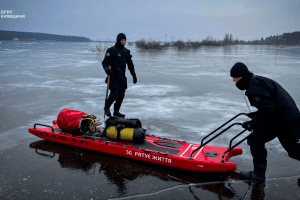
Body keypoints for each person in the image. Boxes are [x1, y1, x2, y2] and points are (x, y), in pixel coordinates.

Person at [230, 62, 300, 183]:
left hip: (284, 121)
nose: (233, 81)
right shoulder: (257, 81)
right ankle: (258, 174)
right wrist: (254, 115)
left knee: (256, 140)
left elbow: (269, 111)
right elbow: (268, 107)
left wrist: (253, 122)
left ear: (241, 77)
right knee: (292, 149)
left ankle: (258, 175)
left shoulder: (254, 87)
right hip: (286, 118)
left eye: (234, 78)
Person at [102, 33, 137, 118]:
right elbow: (105, 63)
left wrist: (134, 75)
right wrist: (107, 70)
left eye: (125, 40)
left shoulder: (126, 52)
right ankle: (106, 108)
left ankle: (116, 111)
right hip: (113, 76)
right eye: (122, 40)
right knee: (114, 94)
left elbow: (130, 65)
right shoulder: (111, 50)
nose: (123, 42)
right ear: (118, 40)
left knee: (121, 94)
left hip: (122, 77)